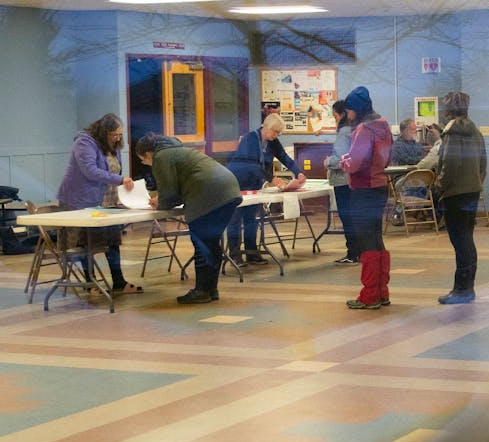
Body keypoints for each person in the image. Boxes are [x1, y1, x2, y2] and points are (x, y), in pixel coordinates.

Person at [134, 133, 240, 304]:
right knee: (212, 244)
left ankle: (201, 291)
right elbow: (180, 185)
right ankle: (211, 289)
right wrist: (164, 199)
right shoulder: (178, 150)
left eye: (143, 160)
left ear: (147, 153)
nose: (144, 163)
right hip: (229, 190)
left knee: (202, 245)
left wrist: (159, 203)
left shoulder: (161, 156)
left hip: (207, 195)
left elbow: (169, 193)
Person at [415, 91, 487, 304]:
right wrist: (476, 182)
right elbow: (483, 164)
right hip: (472, 190)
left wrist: (439, 186)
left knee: (460, 241)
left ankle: (461, 290)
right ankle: (467, 287)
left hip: (455, 193)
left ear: (448, 111)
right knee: (467, 240)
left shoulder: (452, 134)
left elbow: (449, 166)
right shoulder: (476, 132)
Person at [56, 113, 140, 294]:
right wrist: (120, 179)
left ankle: (119, 282)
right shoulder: (84, 142)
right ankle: (90, 283)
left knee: (113, 240)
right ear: (104, 132)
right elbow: (90, 171)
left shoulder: (113, 145)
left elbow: (115, 168)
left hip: (107, 201)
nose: (118, 138)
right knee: (86, 242)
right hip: (80, 200)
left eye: (120, 134)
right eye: (114, 135)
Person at [339, 86, 393, 309]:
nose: (348, 115)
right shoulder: (383, 124)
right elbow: (388, 158)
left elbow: (355, 163)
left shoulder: (363, 129)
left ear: (356, 109)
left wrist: (342, 161)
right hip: (380, 187)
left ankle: (369, 295)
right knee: (377, 239)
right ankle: (382, 291)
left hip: (363, 190)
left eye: (349, 110)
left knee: (366, 241)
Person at [225, 114, 305, 264]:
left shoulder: (272, 141)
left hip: (254, 185)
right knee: (235, 219)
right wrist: (272, 179)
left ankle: (251, 252)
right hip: (237, 183)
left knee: (251, 219)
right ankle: (235, 254)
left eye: (278, 133)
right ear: (266, 127)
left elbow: (283, 156)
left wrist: (298, 172)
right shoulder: (250, 139)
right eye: (275, 132)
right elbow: (251, 165)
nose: (276, 136)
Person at [324, 100, 359, 265]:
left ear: (342, 114)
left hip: (342, 180)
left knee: (347, 217)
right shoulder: (357, 129)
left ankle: (352, 252)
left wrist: (327, 161)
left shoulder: (344, 132)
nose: (335, 120)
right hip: (356, 179)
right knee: (356, 216)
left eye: (335, 116)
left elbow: (339, 158)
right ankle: (359, 251)